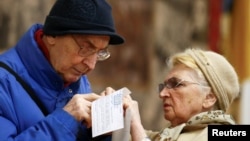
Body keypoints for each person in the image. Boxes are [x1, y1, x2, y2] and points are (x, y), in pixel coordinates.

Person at [0, 0, 124, 141]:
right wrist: (65, 120)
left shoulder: (75, 75)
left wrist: (102, 131)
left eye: (100, 52)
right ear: (53, 35)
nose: (91, 65)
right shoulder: (3, 83)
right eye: (85, 48)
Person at [123, 48, 240, 141]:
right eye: (163, 87)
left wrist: (136, 125)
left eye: (176, 84)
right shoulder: (162, 136)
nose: (162, 94)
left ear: (209, 98)